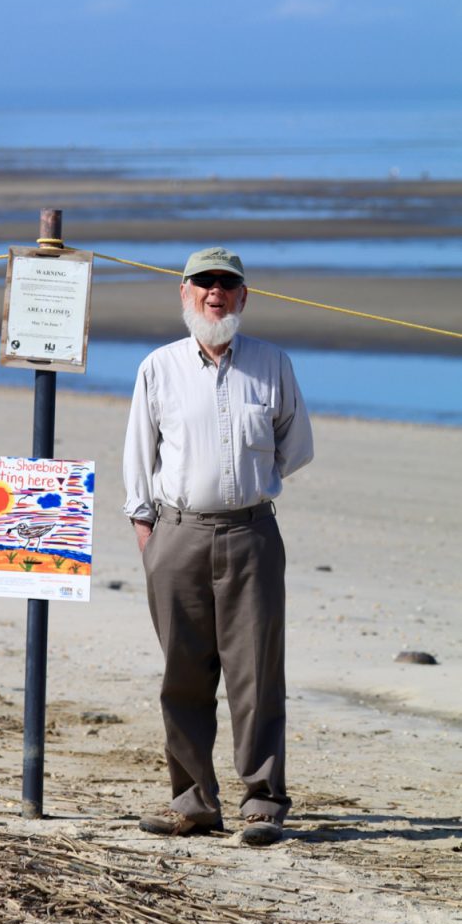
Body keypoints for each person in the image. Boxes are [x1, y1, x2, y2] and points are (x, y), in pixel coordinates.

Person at [123, 246, 314, 846]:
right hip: (176, 537)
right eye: (203, 283)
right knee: (182, 676)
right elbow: (139, 455)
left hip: (252, 535)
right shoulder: (158, 367)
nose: (215, 293)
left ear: (243, 297)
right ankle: (193, 804)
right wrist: (148, 533)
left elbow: (296, 446)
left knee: (256, 676)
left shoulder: (273, 363)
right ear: (184, 294)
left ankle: (263, 804)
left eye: (227, 284)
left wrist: (252, 492)